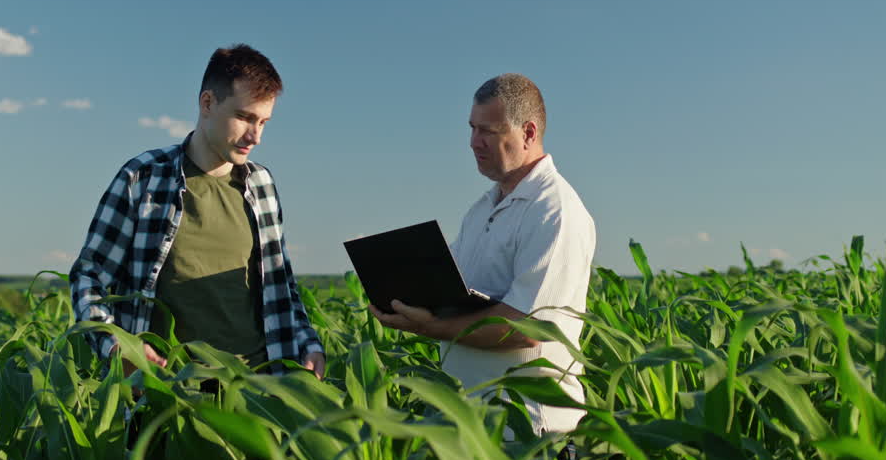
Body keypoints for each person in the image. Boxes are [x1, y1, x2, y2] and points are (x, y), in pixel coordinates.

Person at [69, 43, 325, 380]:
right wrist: (118, 346)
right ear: (207, 103)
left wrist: (309, 345)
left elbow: (282, 286)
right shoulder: (143, 177)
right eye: (245, 117)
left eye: (263, 121)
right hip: (165, 394)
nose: (255, 135)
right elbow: (90, 277)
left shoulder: (262, 185)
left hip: (257, 392)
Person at [371, 73, 595, 434]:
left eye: (487, 132)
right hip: (471, 424)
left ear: (529, 133)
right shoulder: (481, 209)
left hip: (526, 431)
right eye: (472, 129)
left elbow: (527, 328)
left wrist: (430, 327)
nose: (474, 142)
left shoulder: (554, 210)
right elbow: (450, 290)